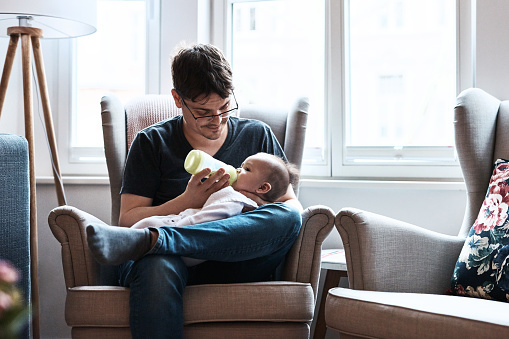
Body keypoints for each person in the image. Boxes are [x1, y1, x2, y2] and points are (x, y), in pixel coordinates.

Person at [86, 43, 303, 339]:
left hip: (236, 258)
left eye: (225, 107)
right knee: (157, 265)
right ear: (178, 99)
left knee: (289, 218)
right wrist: (187, 201)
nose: (217, 120)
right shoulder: (152, 142)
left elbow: (290, 206)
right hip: (171, 263)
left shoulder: (257, 135)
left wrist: (254, 201)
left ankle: (156, 240)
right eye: (203, 112)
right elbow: (128, 220)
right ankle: (157, 244)